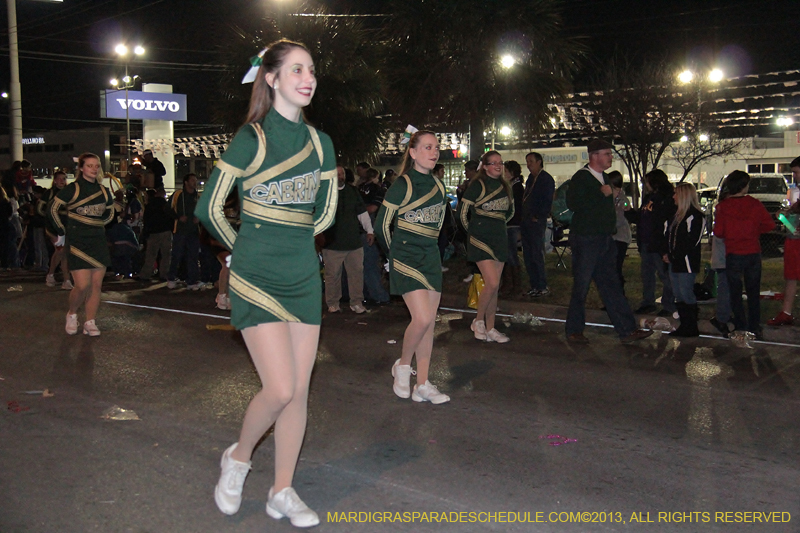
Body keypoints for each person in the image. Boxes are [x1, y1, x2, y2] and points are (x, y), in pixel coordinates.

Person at [195, 39, 337, 528]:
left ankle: (282, 490)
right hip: (256, 277)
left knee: (298, 393)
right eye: (297, 69)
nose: (308, 77)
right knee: (278, 388)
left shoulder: (321, 142)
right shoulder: (251, 138)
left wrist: (296, 240)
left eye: (312, 69)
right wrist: (241, 252)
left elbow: (326, 212)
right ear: (271, 78)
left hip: (302, 276)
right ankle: (237, 458)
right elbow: (207, 208)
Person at [376, 129, 450, 403]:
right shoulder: (403, 184)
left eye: (436, 147)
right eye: (428, 147)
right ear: (413, 152)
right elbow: (382, 224)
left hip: (430, 257)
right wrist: (391, 255)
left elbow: (438, 226)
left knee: (429, 323)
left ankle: (423, 383)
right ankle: (403, 366)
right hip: (406, 257)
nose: (434, 152)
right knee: (420, 318)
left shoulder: (440, 186)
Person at [564, 139, 652, 344]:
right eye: (607, 153)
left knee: (611, 284)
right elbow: (574, 203)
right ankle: (574, 329)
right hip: (586, 238)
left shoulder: (604, 177)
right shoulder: (582, 177)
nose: (611, 157)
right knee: (582, 285)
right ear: (594, 155)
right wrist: (599, 194)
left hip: (604, 238)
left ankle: (627, 329)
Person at [47, 153, 114, 336]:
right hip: (78, 240)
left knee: (96, 285)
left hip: (97, 240)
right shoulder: (73, 189)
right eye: (90, 165)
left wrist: (98, 223)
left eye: (96, 166)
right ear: (82, 168)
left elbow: (110, 212)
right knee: (82, 285)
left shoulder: (103, 190)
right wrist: (62, 229)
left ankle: (90, 322)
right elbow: (52, 208)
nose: (93, 169)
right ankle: (72, 313)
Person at [458, 150, 514, 343]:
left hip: (499, 238)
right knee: (491, 282)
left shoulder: (505, 186)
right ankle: (478, 320)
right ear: (485, 166)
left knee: (494, 286)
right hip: (480, 239)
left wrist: (497, 224)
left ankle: (491, 328)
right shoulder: (477, 185)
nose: (498, 166)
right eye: (493, 163)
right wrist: (474, 232)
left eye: (500, 162)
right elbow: (462, 213)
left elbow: (510, 212)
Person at [714, 170, 775, 338]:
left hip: (733, 253)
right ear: (743, 186)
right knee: (753, 291)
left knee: (735, 292)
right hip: (753, 252)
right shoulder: (754, 204)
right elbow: (769, 225)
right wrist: (755, 231)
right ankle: (754, 325)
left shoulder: (723, 207)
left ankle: (740, 324)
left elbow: (718, 231)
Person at [323, 165, 372, 314]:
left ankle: (356, 302)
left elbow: (362, 212)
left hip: (353, 243)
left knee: (356, 274)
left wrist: (370, 230)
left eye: (341, 173)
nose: (339, 176)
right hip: (332, 243)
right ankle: (333, 303)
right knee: (332, 276)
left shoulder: (352, 191)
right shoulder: (324, 193)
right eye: (336, 174)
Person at [634, 169, 676, 316]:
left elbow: (662, 220)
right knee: (647, 275)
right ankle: (648, 302)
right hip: (646, 242)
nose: (646, 184)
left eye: (647, 181)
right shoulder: (649, 198)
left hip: (658, 243)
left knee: (665, 275)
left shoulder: (666, 198)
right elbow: (641, 217)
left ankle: (669, 304)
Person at [665, 183, 705, 336]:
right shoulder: (676, 216)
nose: (673, 197)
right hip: (675, 261)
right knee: (678, 292)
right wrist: (668, 253)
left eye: (676, 194)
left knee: (686, 291)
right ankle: (685, 324)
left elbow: (691, 241)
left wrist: (674, 255)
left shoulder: (695, 216)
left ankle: (691, 326)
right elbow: (669, 237)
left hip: (687, 262)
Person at [767, 156, 800, 327]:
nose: (794, 176)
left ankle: (786, 312)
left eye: (795, 172)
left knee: (793, 276)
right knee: (791, 276)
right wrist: (788, 212)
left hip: (796, 240)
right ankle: (786, 312)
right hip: (794, 239)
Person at [520, 152, 555, 297]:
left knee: (536, 253)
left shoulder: (545, 179)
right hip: (526, 220)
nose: (529, 165)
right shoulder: (531, 179)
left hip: (535, 221)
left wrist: (538, 216)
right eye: (527, 162)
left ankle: (542, 284)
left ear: (539, 162)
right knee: (528, 254)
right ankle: (534, 284)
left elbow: (547, 200)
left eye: (531, 161)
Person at [359, 166, 390, 305]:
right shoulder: (378, 190)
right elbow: (372, 209)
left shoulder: (358, 189)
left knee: (363, 264)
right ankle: (378, 295)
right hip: (371, 230)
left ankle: (365, 294)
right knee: (371, 263)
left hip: (359, 230)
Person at [167, 174, 202, 290]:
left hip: (193, 231)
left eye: (195, 180)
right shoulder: (178, 194)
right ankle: (171, 278)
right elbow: (167, 209)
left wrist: (199, 218)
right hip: (180, 230)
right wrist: (178, 217)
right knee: (177, 254)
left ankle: (191, 281)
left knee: (193, 256)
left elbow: (202, 210)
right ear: (186, 182)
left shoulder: (198, 196)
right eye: (192, 180)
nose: (194, 182)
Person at [43, 171, 72, 289]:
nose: (61, 181)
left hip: (66, 227)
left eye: (64, 178)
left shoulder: (69, 194)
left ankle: (66, 280)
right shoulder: (49, 193)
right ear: (54, 180)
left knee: (64, 252)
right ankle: (52, 275)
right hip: (53, 227)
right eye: (59, 179)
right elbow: (41, 209)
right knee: (61, 250)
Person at [138, 188, 173, 282]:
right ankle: (164, 274)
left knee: (151, 255)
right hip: (165, 231)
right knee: (165, 255)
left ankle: (145, 275)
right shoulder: (166, 205)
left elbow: (147, 220)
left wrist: (146, 233)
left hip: (153, 233)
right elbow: (171, 217)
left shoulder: (150, 205)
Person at [500, 160, 525, 296]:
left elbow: (517, 209)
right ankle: (510, 284)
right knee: (508, 254)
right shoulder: (511, 186)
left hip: (512, 225)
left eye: (506, 171)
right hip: (509, 224)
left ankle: (515, 285)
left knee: (511, 255)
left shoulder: (516, 188)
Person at [607, 170, 631, 292]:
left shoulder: (622, 200)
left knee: (616, 267)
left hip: (620, 237)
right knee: (610, 268)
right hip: (612, 237)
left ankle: (619, 294)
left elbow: (620, 219)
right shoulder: (609, 198)